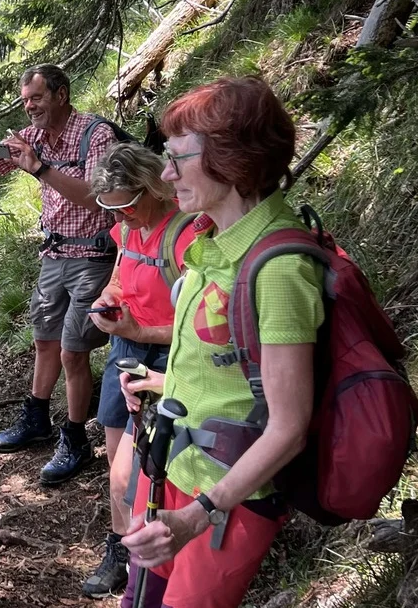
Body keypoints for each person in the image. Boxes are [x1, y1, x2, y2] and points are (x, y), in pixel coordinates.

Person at [119, 76, 322, 608]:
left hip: (226, 500)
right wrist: (161, 381)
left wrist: (197, 513)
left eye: (176, 158)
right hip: (170, 462)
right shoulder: (212, 245)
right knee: (138, 600)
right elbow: (235, 369)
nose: (165, 173)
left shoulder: (277, 270)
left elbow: (289, 428)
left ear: (228, 160)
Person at [0, 63, 118, 485]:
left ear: (61, 95)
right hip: (53, 255)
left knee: (72, 351)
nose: (29, 108)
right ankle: (37, 418)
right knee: (45, 340)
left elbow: (101, 200)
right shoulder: (33, 137)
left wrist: (41, 169)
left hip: (93, 257)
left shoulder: (95, 135)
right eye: (25, 100)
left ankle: (76, 437)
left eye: (37, 98)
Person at [79, 142, 197, 598]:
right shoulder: (128, 229)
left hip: (166, 356)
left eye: (126, 207)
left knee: (147, 468)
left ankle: (155, 557)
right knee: (117, 467)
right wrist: (106, 301)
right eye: (110, 210)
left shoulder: (187, 235)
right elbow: (119, 276)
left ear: (153, 187)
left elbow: (199, 333)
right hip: (125, 345)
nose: (119, 219)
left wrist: (141, 333)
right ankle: (121, 549)